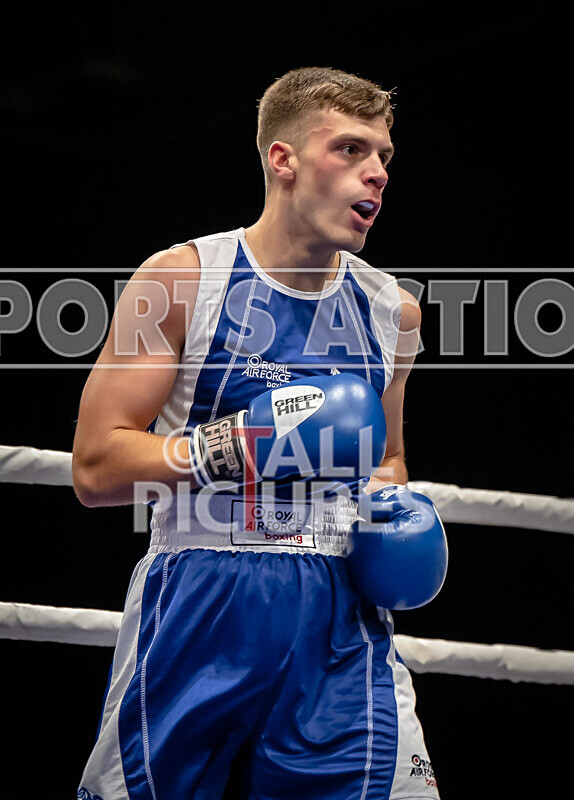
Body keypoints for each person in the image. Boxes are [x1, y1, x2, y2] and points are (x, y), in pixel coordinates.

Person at [73, 66, 443, 799]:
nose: (376, 174)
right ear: (284, 160)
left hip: (340, 622)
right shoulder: (183, 280)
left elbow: (387, 457)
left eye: (385, 158)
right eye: (350, 149)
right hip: (200, 600)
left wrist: (391, 511)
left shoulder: (391, 312)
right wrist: (247, 442)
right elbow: (97, 467)